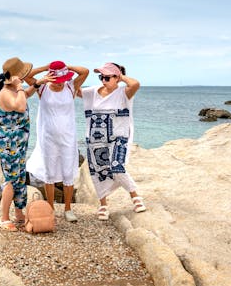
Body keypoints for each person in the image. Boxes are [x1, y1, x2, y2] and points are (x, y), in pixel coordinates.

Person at [80, 62, 147, 220]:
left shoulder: (125, 92)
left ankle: (135, 197)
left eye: (108, 77)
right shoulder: (93, 91)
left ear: (117, 78)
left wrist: (120, 76)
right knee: (98, 170)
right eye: (101, 76)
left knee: (117, 166)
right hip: (96, 139)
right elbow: (75, 92)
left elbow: (136, 83)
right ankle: (103, 205)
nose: (103, 80)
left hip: (119, 136)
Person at [25, 60, 89, 222]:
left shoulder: (70, 87)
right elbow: (27, 76)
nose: (61, 84)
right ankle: (51, 208)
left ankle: (68, 209)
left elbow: (85, 71)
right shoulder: (43, 88)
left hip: (68, 138)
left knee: (68, 173)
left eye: (63, 79)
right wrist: (47, 69)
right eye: (58, 80)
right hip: (48, 139)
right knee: (49, 174)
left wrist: (67, 67)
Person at [0, 57, 39, 231]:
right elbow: (20, 107)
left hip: (19, 143)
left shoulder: (15, 90)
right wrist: (20, 87)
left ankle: (19, 213)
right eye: (21, 77)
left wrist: (35, 85)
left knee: (20, 177)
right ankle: (4, 218)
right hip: (9, 143)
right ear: (14, 78)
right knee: (11, 180)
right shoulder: (6, 92)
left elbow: (25, 96)